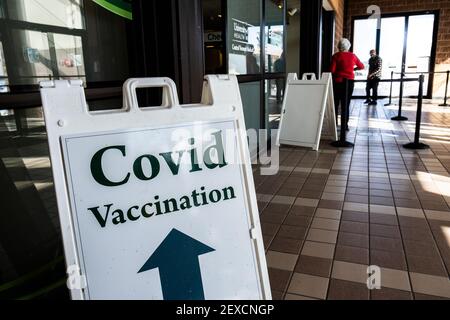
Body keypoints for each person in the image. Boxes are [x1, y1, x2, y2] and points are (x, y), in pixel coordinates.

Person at [330, 38, 364, 131]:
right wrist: (353, 69)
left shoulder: (336, 56)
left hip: (338, 82)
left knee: (336, 104)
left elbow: (332, 70)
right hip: (349, 83)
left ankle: (335, 125)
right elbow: (362, 66)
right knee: (346, 104)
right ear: (348, 46)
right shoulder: (353, 56)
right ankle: (344, 126)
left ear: (339, 46)